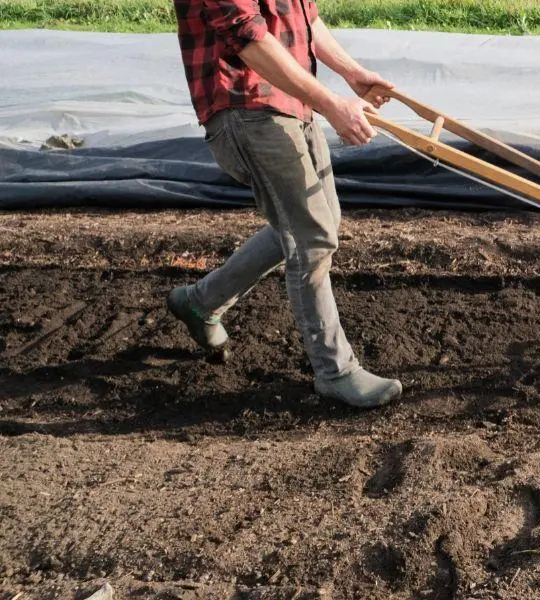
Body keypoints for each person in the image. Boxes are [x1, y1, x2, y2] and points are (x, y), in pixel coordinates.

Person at [167, 0, 402, 407]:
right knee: (310, 236)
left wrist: (352, 73)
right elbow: (249, 38)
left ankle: (200, 302)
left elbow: (304, 19)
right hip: (245, 106)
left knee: (313, 223)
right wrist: (332, 104)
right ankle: (335, 371)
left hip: (293, 101)